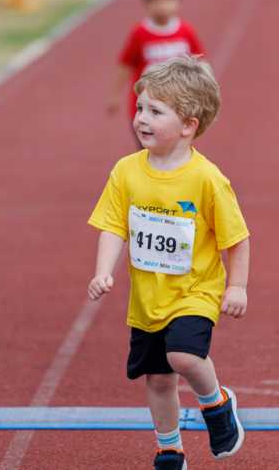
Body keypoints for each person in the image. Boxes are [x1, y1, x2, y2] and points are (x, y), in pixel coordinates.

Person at [88, 55, 250, 470]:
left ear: (188, 125)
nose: (140, 118)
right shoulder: (126, 171)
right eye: (140, 108)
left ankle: (217, 404)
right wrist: (103, 270)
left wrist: (237, 286)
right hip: (147, 298)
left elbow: (237, 239)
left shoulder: (207, 179)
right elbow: (113, 226)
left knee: (184, 357)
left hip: (195, 291)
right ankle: (169, 446)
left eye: (155, 111)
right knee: (159, 379)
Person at [107, 0, 205, 147]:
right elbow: (126, 64)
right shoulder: (139, 33)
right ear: (146, 3)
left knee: (177, 156)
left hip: (179, 106)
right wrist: (115, 95)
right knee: (149, 156)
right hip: (147, 108)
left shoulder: (186, 32)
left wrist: (203, 94)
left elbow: (200, 64)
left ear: (178, 0)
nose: (162, 4)